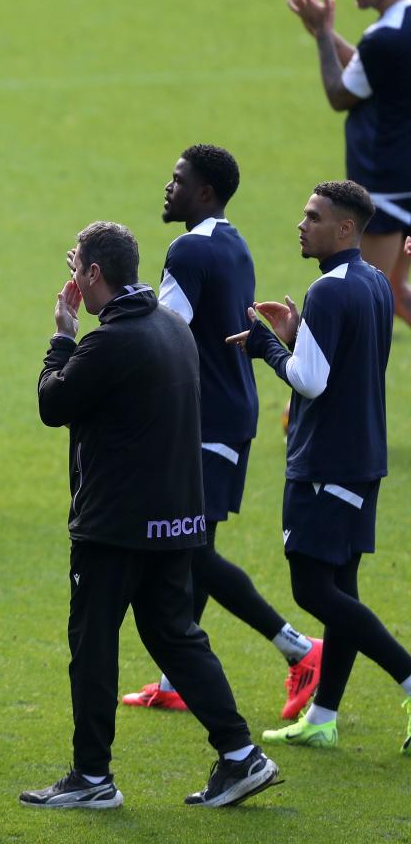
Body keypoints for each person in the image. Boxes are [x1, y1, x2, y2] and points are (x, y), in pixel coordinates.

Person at [26, 221, 279, 810]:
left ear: (94, 274)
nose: (74, 283)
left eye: (78, 270)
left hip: (114, 525)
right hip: (177, 518)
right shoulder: (171, 327)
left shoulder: (108, 341)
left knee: (92, 645)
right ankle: (241, 754)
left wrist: (63, 336)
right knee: (175, 635)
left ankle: (92, 777)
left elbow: (52, 402)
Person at [119, 145, 322, 718]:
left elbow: (166, 331)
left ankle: (301, 649)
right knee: (195, 542)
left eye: (178, 180)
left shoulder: (188, 248)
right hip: (230, 413)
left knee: (191, 549)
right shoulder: (231, 242)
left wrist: (111, 300)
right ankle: (174, 677)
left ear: (204, 192)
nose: (169, 187)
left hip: (203, 419)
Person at [228, 181, 411, 754]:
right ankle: (324, 716)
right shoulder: (375, 283)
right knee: (342, 587)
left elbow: (311, 380)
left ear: (346, 228)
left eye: (314, 216)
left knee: (312, 588)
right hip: (363, 458)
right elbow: (341, 358)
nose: (301, 224)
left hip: (325, 461)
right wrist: (296, 336)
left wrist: (266, 347)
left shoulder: (328, 290)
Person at [287, 0, 411, 326]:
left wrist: (323, 34)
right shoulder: (401, 24)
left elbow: (340, 94)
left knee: (366, 306)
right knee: (394, 294)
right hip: (404, 179)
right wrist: (327, 36)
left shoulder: (382, 40)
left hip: (384, 187)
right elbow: (372, 67)